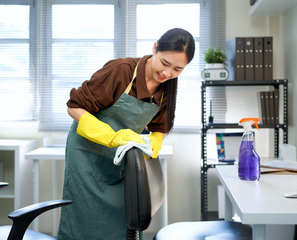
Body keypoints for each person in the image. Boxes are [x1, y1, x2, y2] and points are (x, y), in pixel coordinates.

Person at [58, 28, 195, 240]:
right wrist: (111, 137)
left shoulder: (166, 86)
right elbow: (74, 107)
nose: (167, 74)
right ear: (154, 48)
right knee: (87, 219)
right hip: (87, 156)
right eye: (165, 63)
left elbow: (159, 125)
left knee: (121, 222)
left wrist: (155, 141)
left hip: (121, 159)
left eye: (178, 69)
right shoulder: (121, 71)